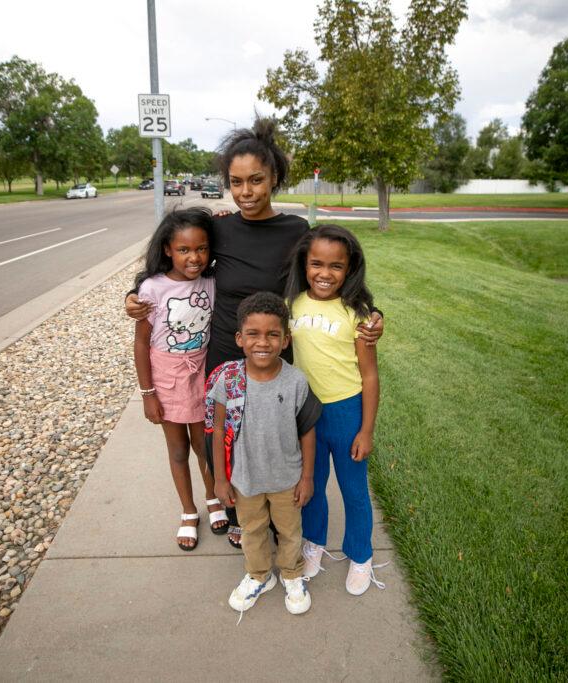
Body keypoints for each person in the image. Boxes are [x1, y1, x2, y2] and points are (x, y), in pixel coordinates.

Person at [127, 117, 384, 548]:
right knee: (223, 441)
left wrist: (371, 313)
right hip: (225, 352)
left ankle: (276, 512)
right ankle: (236, 512)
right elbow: (179, 268)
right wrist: (135, 294)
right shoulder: (220, 229)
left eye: (256, 181)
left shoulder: (295, 231)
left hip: (273, 356)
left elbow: (328, 278)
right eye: (237, 182)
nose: (246, 192)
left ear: (274, 179)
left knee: (272, 439)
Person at [285, 224, 385, 595]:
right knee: (309, 484)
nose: (324, 274)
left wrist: (366, 430)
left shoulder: (357, 314)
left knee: (353, 487)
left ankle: (361, 555)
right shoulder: (291, 304)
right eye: (316, 264)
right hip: (305, 413)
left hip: (346, 410)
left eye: (336, 266)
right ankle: (314, 542)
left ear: (350, 268)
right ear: (304, 264)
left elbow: (370, 376)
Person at [208, 292, 315, 617]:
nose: (262, 342)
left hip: (286, 478)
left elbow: (307, 430)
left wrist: (307, 477)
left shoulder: (296, 380)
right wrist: (221, 479)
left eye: (272, 334)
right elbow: (217, 431)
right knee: (252, 531)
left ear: (285, 339)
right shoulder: (229, 379)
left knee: (289, 531)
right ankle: (258, 575)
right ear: (240, 338)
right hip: (245, 480)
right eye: (253, 334)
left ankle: (292, 574)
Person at [132, 207, 229, 551]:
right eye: (184, 249)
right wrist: (148, 394)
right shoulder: (151, 288)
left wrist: (221, 219)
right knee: (178, 450)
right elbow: (141, 342)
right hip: (167, 378)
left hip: (203, 372)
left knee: (204, 446)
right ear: (167, 250)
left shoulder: (213, 281)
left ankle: (212, 498)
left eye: (201, 248)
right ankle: (188, 511)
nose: (194, 257)